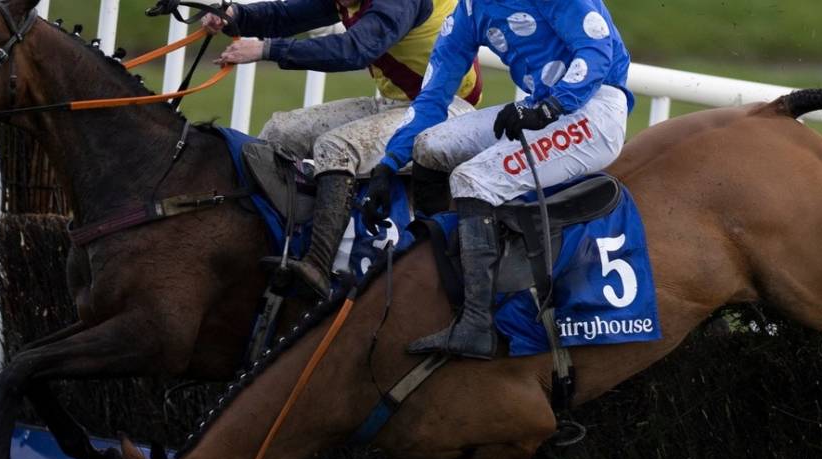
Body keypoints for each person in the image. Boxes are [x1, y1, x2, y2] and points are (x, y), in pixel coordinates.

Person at [361, 0, 632, 359]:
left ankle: (477, 324)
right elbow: (432, 98)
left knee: (472, 179)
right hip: (542, 108)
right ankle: (440, 280)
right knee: (429, 146)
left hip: (594, 109)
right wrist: (389, 163)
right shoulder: (468, 12)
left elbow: (596, 49)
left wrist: (549, 107)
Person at [203, 0, 483, 299]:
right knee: (279, 131)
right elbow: (285, 15)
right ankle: (261, 237)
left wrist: (266, 50)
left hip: (446, 111)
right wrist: (234, 15)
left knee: (335, 146)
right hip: (398, 103)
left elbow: (355, 49)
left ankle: (318, 267)